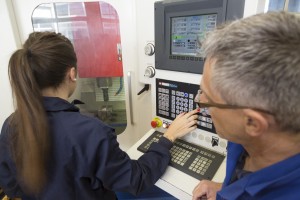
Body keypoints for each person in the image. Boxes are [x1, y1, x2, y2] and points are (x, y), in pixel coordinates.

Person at [0, 31, 199, 199]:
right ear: (72, 74)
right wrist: (168, 137)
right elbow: (136, 179)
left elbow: (12, 186)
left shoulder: (11, 125)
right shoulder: (91, 132)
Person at [192, 11, 300, 200]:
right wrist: (224, 187)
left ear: (252, 123)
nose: (199, 101)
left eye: (206, 97)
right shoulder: (242, 140)